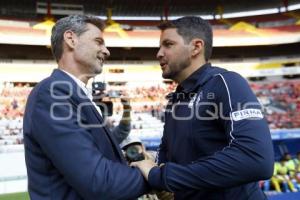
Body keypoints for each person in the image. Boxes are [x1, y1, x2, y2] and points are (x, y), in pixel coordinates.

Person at [131, 16, 274, 199]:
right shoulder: (175, 100)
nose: (159, 53)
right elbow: (170, 158)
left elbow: (255, 160)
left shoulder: (227, 83)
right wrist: (157, 166)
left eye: (168, 45)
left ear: (196, 47)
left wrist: (162, 177)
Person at [23, 15, 149, 200]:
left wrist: (132, 158)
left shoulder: (76, 94)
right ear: (71, 39)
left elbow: (98, 156)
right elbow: (99, 182)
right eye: (98, 42)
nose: (106, 51)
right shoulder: (52, 93)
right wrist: (155, 176)